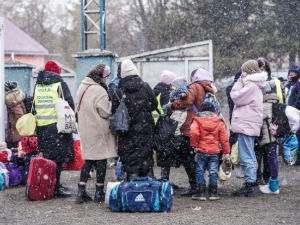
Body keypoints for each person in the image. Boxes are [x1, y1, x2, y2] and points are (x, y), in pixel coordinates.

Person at [167, 68, 215, 196]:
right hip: (205, 123)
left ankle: (196, 186)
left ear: (195, 77)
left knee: (186, 157)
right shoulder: (209, 88)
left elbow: (187, 101)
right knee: (204, 157)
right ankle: (208, 186)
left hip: (192, 125)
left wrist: (172, 105)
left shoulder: (194, 86)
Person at [75, 63, 117, 204]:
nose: (107, 78)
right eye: (106, 76)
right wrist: (112, 103)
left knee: (89, 160)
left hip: (86, 128)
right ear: (101, 76)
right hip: (98, 129)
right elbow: (106, 111)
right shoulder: (99, 90)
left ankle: (81, 190)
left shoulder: (83, 86)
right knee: (101, 160)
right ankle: (99, 192)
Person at [111, 59, 158, 181]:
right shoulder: (145, 86)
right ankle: (149, 188)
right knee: (146, 156)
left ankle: (133, 187)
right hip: (145, 129)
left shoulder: (118, 91)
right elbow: (154, 104)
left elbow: (114, 111)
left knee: (130, 158)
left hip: (127, 131)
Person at [33, 60, 74, 197]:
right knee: (57, 158)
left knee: (47, 157)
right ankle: (55, 186)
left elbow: (33, 106)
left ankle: (46, 183)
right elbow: (69, 104)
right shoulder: (59, 84)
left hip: (42, 128)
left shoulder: (38, 85)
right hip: (57, 127)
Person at [230, 59, 267, 197]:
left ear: (250, 71)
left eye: (244, 70)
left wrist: (239, 82)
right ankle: (250, 183)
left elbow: (235, 97)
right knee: (247, 154)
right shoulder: (255, 85)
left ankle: (250, 185)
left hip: (246, 124)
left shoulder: (251, 86)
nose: (242, 73)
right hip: (248, 124)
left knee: (247, 156)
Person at [190, 101, 230, 201]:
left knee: (200, 171)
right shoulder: (219, 121)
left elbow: (194, 132)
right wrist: (226, 151)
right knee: (213, 172)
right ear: (213, 110)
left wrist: (194, 145)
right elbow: (224, 138)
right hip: (214, 151)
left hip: (202, 150)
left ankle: (201, 193)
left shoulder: (197, 120)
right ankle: (213, 193)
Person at [157, 76, 189, 184]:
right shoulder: (167, 93)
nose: (172, 87)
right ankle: (165, 179)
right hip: (170, 124)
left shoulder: (178, 91)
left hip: (166, 125)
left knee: (165, 152)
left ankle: (164, 179)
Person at [258, 82, 280, 194]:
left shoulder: (264, 105)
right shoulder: (276, 103)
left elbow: (259, 121)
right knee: (273, 160)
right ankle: (274, 183)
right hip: (275, 137)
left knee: (272, 160)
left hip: (268, 138)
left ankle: (274, 187)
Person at [4, 81, 26, 148]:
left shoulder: (13, 101)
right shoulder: (17, 99)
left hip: (17, 133)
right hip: (17, 132)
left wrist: (14, 126)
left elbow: (19, 116)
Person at [286, 65, 300, 165]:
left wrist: (294, 107)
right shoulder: (291, 84)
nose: (291, 75)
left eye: (293, 73)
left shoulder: (298, 84)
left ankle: (297, 158)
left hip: (296, 113)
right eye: (290, 73)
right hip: (291, 112)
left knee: (297, 135)